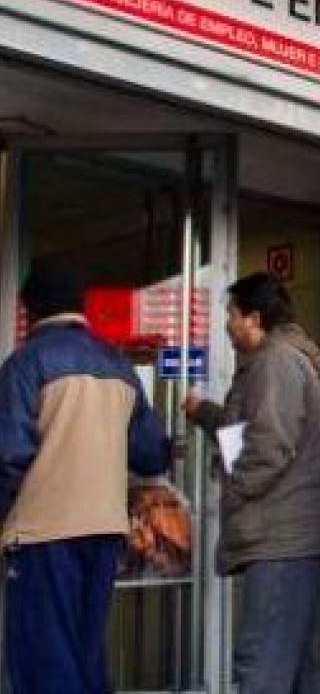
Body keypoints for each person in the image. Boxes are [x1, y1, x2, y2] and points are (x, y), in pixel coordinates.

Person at [0, 264, 170, 694]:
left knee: (44, 662)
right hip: (105, 531)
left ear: (30, 311)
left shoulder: (25, 363)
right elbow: (152, 453)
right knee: (86, 658)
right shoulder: (119, 365)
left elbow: (9, 457)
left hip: (43, 533)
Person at [184, 272, 320, 693]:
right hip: (291, 539)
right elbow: (252, 430)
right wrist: (204, 414)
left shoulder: (275, 361)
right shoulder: (277, 361)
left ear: (253, 318)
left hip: (280, 539)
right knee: (301, 674)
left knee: (261, 669)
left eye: (231, 314)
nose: (226, 324)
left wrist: (233, 489)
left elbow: (268, 444)